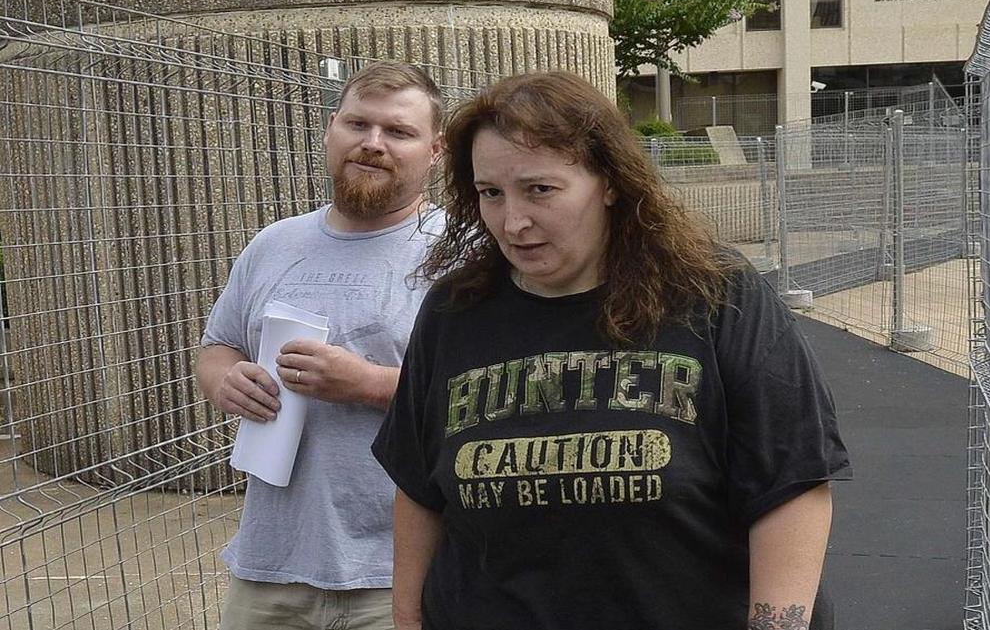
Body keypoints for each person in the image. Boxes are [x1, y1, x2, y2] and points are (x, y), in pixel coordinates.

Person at [371, 71, 851, 630]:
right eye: (490, 193)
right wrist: (408, 621)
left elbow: (790, 482)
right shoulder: (454, 312)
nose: (513, 221)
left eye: (540, 189)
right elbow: (419, 490)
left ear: (610, 182)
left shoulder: (712, 294)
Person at [196, 59, 445, 630]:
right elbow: (218, 346)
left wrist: (369, 383)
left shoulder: (460, 254)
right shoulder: (274, 244)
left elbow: (486, 393)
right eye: (358, 124)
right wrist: (226, 381)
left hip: (398, 577)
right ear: (331, 129)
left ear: (435, 151)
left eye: (398, 131)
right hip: (270, 566)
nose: (373, 143)